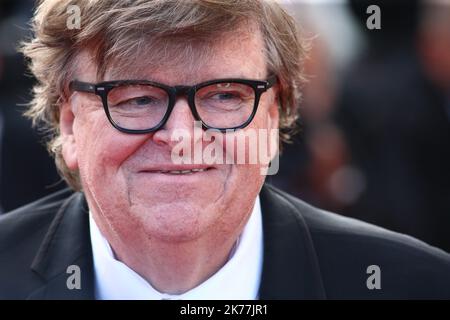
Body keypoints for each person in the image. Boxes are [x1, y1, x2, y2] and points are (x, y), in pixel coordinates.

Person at [0, 0, 449, 300]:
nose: (181, 138)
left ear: (274, 116)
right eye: (136, 98)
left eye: (224, 96)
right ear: (71, 124)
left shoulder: (416, 285)